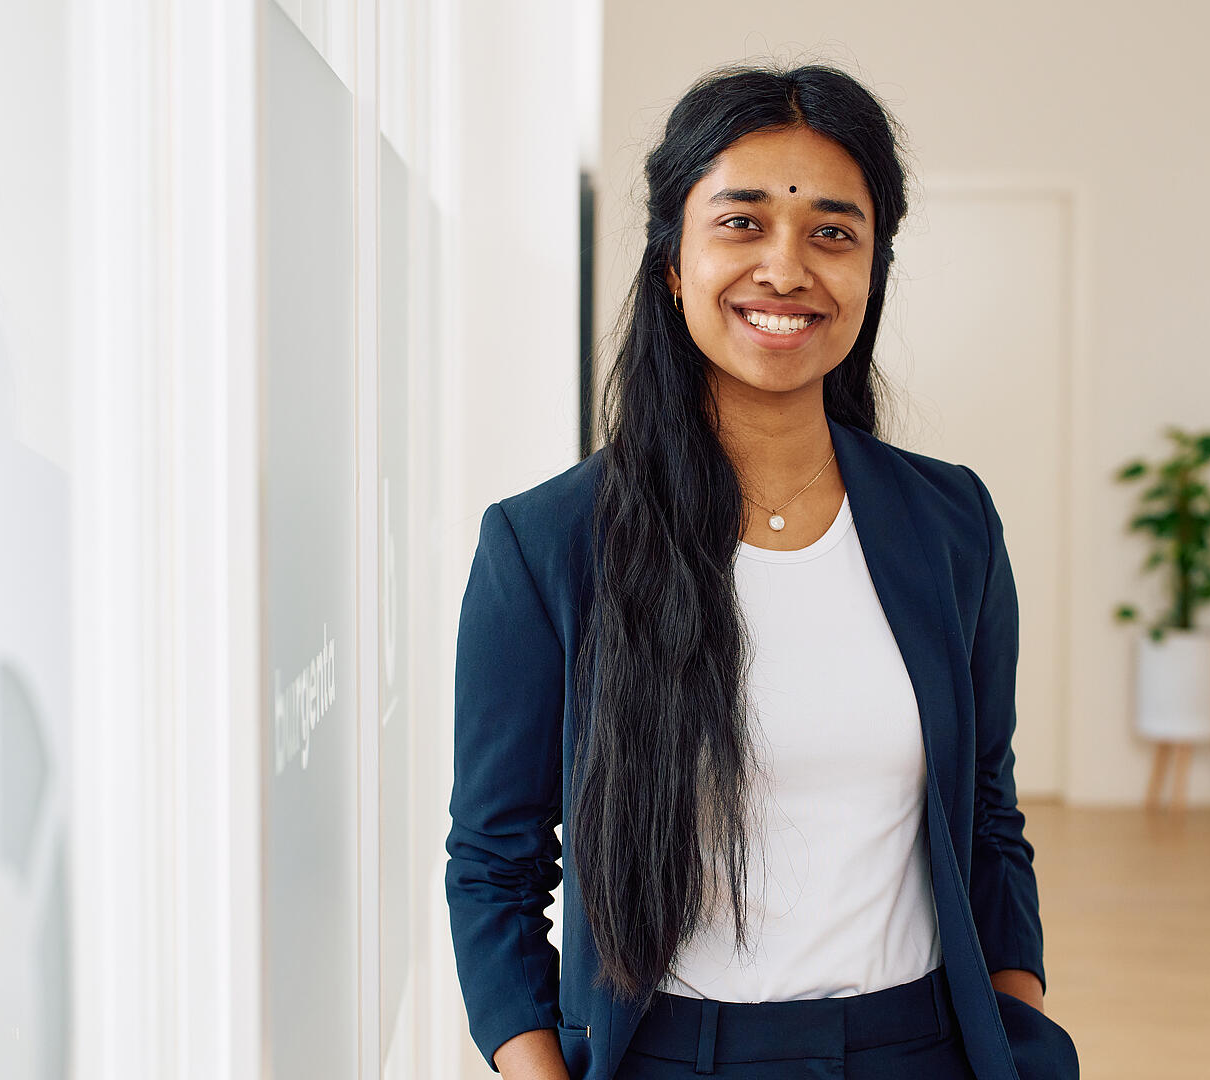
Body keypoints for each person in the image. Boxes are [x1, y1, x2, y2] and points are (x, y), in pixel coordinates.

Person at [447, 61, 1079, 1080]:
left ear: (872, 270)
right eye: (742, 223)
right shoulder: (547, 545)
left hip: (919, 1050)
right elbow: (494, 866)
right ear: (672, 261)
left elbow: (988, 818)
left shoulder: (951, 524)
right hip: (671, 1057)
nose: (786, 269)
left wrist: (1013, 1024)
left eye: (834, 231)